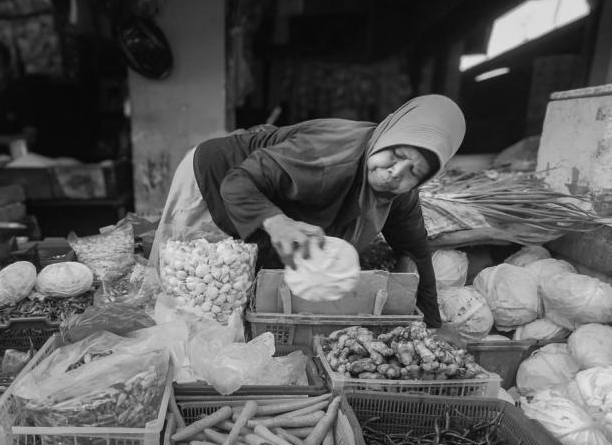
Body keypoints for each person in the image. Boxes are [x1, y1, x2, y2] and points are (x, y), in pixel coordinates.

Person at [151, 94, 466, 328]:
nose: (396, 172)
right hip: (216, 183)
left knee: (228, 301)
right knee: (193, 294)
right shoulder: (331, 154)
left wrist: (432, 325)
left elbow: (415, 249)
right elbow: (238, 184)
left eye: (414, 171)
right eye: (396, 154)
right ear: (389, 134)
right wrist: (277, 222)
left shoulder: (400, 195)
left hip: (263, 201)